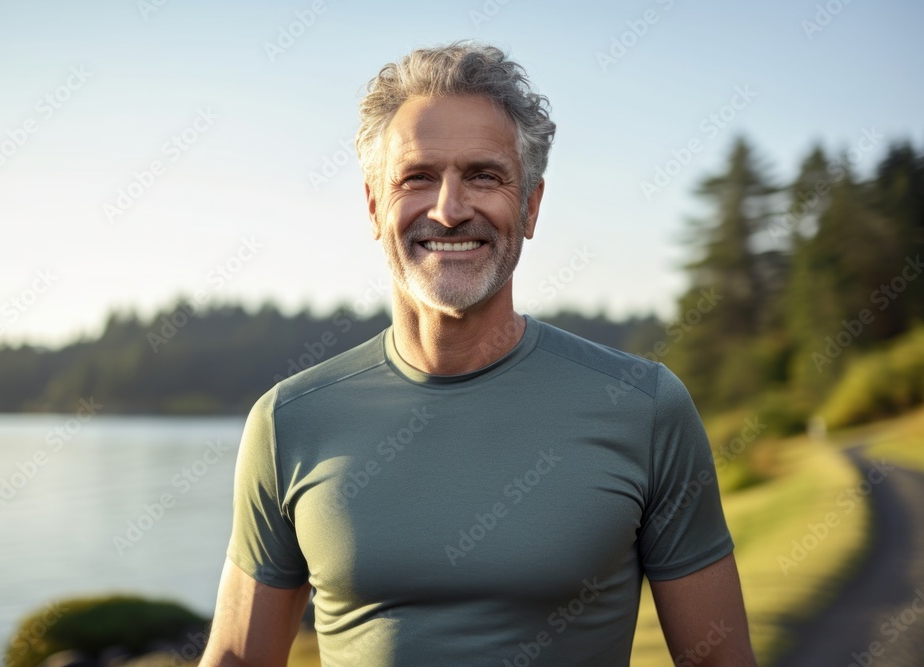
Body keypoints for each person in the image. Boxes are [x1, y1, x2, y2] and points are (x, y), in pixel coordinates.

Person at [200, 42, 758, 666]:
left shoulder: (644, 408)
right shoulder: (288, 422)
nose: (449, 209)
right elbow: (237, 660)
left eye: (484, 176)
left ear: (530, 207)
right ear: (374, 207)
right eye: (417, 177)